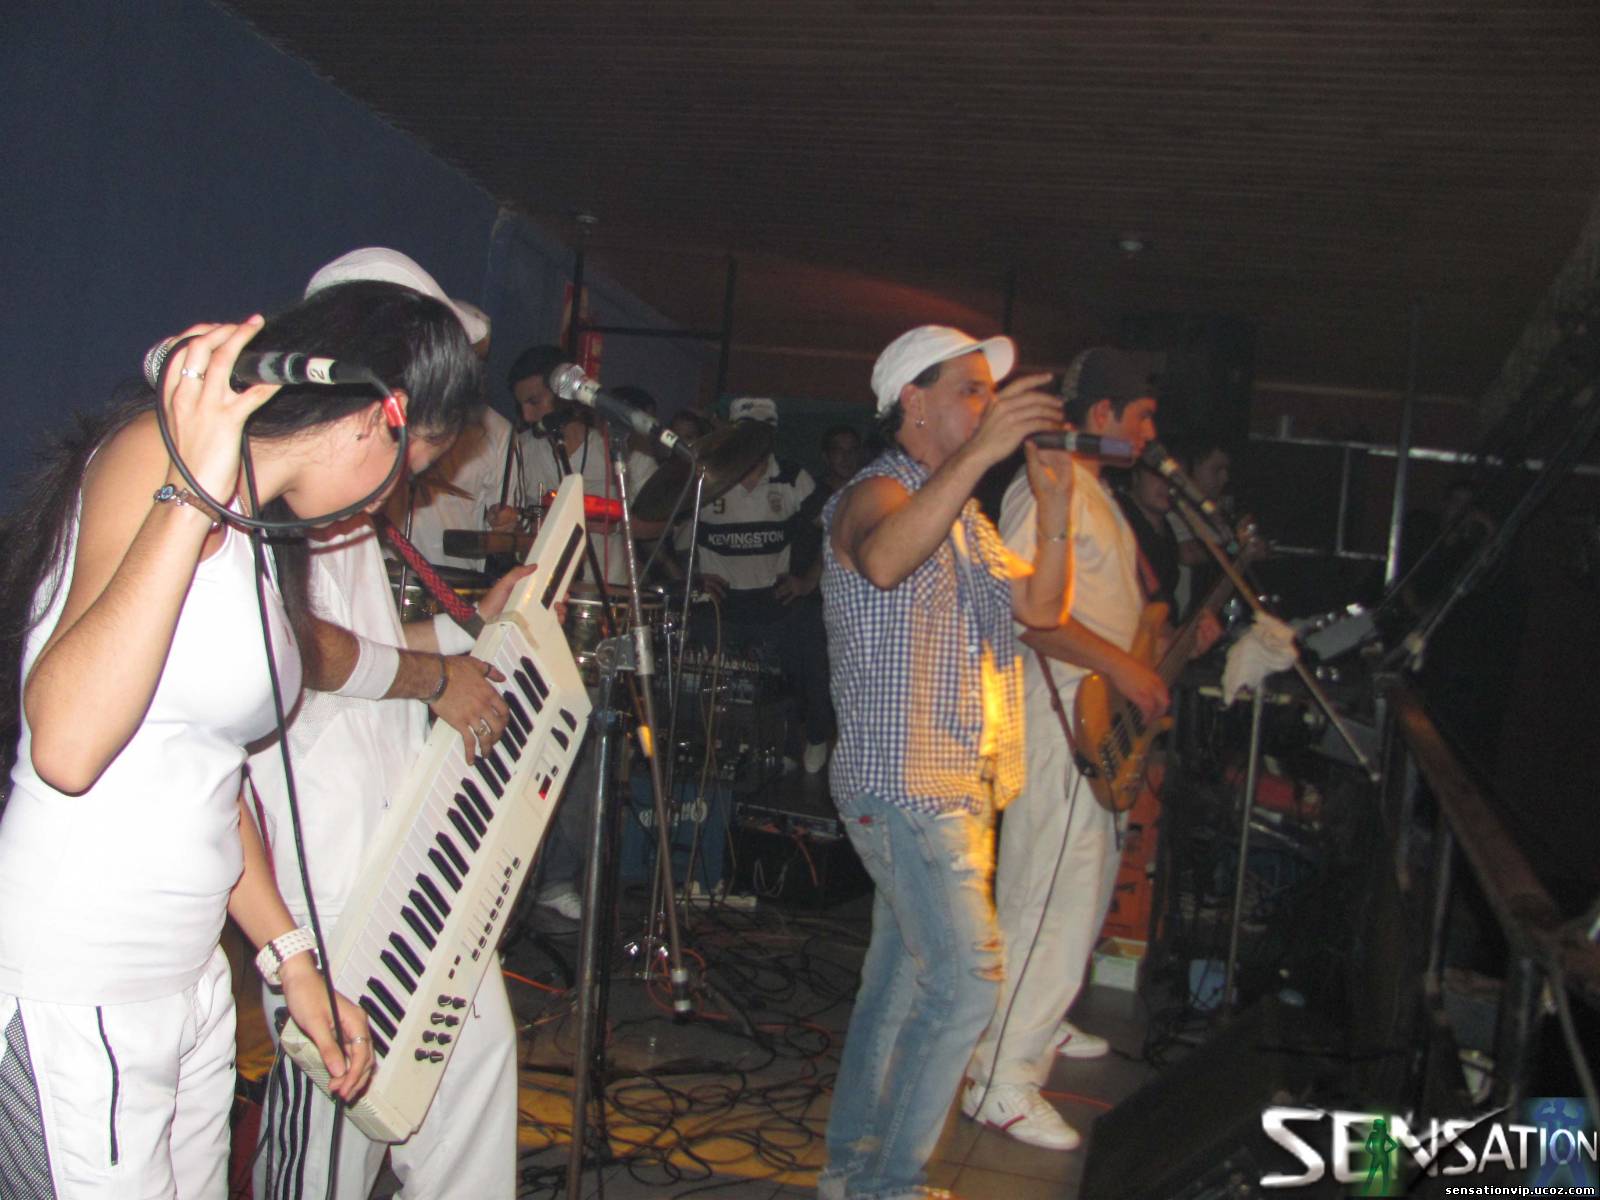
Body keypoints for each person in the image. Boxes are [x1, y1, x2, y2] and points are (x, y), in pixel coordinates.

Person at [0, 279, 481, 1196]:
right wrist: (194, 482)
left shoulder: (263, 531)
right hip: (81, 981)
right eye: (407, 471)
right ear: (377, 418)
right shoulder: (161, 462)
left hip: (187, 984)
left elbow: (211, 778)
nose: (387, 506)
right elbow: (64, 745)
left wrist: (291, 958)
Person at [247, 254, 522, 1199]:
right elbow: (300, 647)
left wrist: (469, 628)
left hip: (398, 840)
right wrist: (437, 676)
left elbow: (360, 644)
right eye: (417, 446)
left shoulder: (345, 499)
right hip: (325, 868)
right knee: (330, 1140)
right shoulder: (286, 492)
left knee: (470, 1067)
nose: (410, 474)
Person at [819, 325, 1074, 1200]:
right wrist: (983, 455)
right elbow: (885, 560)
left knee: (899, 988)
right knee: (966, 987)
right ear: (912, 401)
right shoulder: (873, 492)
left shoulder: (962, 514)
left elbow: (1043, 608)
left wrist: (1057, 508)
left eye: (989, 392)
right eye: (970, 389)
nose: (987, 405)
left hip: (955, 785)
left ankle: (852, 1173)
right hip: (906, 786)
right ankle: (887, 1185)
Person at [964, 347, 1219, 1151]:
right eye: (1141, 417)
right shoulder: (1046, 487)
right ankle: (1002, 1077)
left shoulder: (1095, 492)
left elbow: (1111, 619)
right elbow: (1027, 615)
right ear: (1101, 415)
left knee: (1080, 891)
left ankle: (1038, 1018)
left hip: (1097, 722)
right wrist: (1125, 669)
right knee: (1046, 896)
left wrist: (1169, 647)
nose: (1150, 434)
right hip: (1059, 720)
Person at [678, 396, 834, 771]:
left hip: (775, 598)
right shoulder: (708, 479)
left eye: (763, 432)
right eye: (747, 432)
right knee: (705, 683)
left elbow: (836, 530)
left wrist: (808, 580)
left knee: (810, 654)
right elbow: (674, 540)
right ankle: (709, 750)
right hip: (721, 603)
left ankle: (810, 738)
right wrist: (693, 578)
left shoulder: (792, 478)